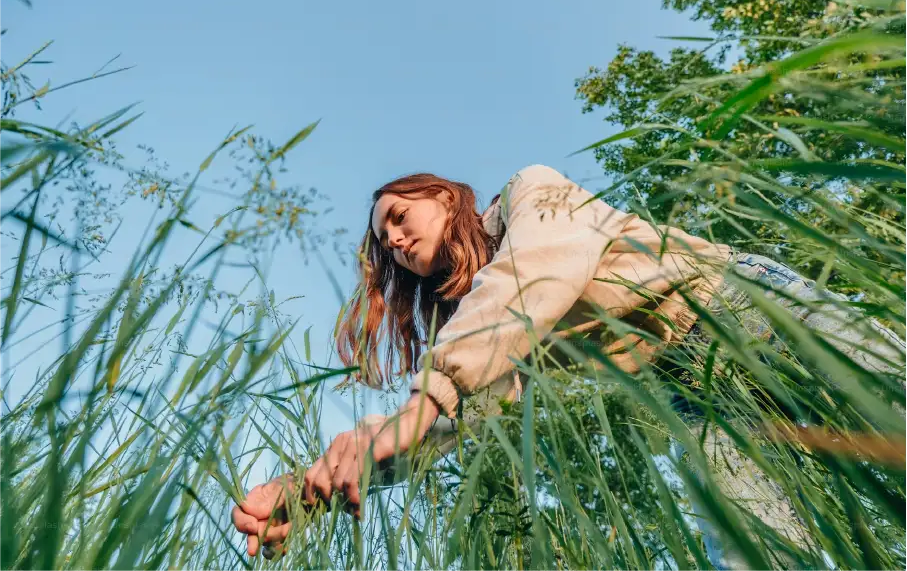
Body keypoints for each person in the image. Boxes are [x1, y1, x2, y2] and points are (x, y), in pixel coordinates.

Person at [230, 164, 905, 565]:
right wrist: (310, 487)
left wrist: (420, 401)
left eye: (400, 216)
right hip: (696, 398)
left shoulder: (531, 194)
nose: (396, 239)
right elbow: (456, 420)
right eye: (386, 240)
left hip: (746, 309)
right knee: (750, 552)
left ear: (444, 196)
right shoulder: (484, 330)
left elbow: (531, 277)